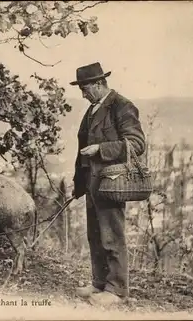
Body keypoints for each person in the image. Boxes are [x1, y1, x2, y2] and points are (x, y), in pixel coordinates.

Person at [70, 62, 146, 306]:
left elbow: (136, 143)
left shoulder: (122, 106)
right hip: (92, 183)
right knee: (95, 234)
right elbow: (81, 152)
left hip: (112, 183)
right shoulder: (92, 110)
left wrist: (101, 149)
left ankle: (116, 290)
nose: (82, 93)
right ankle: (100, 283)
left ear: (99, 84)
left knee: (112, 234)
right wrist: (79, 184)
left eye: (85, 88)